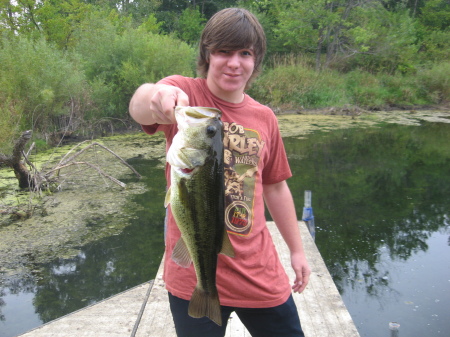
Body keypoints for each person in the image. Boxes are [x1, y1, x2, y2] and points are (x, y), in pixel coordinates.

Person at [129, 8, 311, 337]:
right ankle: (206, 288)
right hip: (191, 277)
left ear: (256, 61)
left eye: (245, 53)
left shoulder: (265, 117)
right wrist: (158, 95)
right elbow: (142, 102)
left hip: (257, 270)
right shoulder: (187, 96)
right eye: (223, 51)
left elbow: (275, 188)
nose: (234, 63)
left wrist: (297, 251)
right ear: (207, 54)